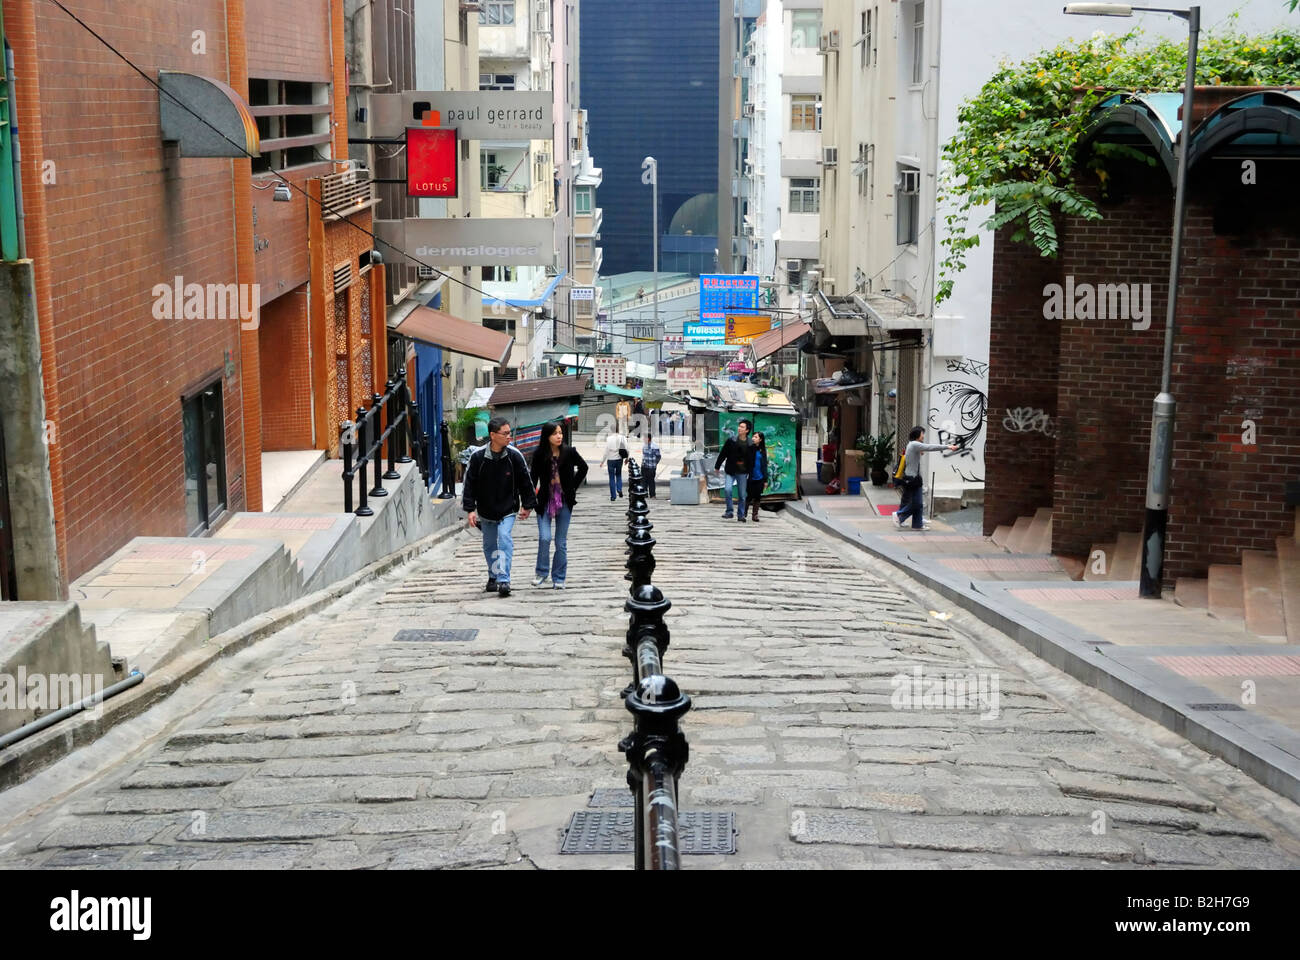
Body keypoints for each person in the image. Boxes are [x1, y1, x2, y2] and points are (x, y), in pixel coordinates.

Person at [462, 417, 536, 598]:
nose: (509, 437)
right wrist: (470, 509)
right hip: (486, 510)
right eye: (505, 433)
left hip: (508, 508)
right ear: (493, 435)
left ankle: (504, 579)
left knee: (504, 538)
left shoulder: (514, 456)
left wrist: (528, 505)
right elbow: (469, 484)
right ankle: (493, 575)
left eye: (510, 433)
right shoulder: (478, 457)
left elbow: (526, 481)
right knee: (489, 545)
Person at [529, 422, 589, 589]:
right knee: (545, 537)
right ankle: (541, 573)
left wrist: (572, 487)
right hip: (544, 501)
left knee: (560, 542)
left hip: (564, 501)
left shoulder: (569, 452)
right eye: (555, 433)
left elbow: (584, 467)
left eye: (560, 433)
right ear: (547, 436)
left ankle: (559, 577)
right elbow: (532, 478)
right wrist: (528, 501)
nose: (559, 436)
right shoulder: (539, 454)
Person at [894, 426, 958, 530]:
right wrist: (948, 447)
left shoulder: (913, 445)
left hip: (913, 478)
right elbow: (930, 447)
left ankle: (917, 524)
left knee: (917, 503)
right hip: (913, 479)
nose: (923, 435)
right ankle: (900, 515)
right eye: (922, 433)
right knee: (917, 503)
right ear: (917, 435)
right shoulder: (915, 444)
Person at [714, 419, 752, 521]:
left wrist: (750, 471)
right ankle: (729, 511)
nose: (739, 428)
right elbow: (723, 454)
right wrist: (717, 466)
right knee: (727, 489)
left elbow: (752, 459)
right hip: (731, 470)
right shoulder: (731, 440)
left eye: (742, 427)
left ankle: (741, 515)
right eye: (739, 426)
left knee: (742, 495)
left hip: (743, 472)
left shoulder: (750, 443)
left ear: (747, 430)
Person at [603, 426, 629, 500]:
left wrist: (603, 461)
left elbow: (606, 451)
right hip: (619, 459)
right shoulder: (622, 437)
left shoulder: (609, 438)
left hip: (610, 459)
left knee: (611, 478)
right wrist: (627, 458)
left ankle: (613, 496)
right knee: (618, 475)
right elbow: (627, 448)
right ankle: (619, 489)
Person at [747, 432, 767, 522]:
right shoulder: (750, 448)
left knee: (758, 496)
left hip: (760, 477)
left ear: (760, 439)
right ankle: (743, 513)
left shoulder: (762, 450)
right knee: (749, 496)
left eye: (756, 437)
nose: (753, 438)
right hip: (750, 476)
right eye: (753, 436)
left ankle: (755, 515)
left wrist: (765, 479)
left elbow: (764, 465)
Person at [642, 434, 662, 498]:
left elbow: (658, 456)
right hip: (644, 466)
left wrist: (655, 463)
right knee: (644, 481)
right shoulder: (644, 446)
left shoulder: (655, 446)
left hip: (651, 467)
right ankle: (644, 494)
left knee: (651, 481)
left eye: (644, 438)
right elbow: (644, 456)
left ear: (648, 438)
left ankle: (652, 495)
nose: (643, 440)